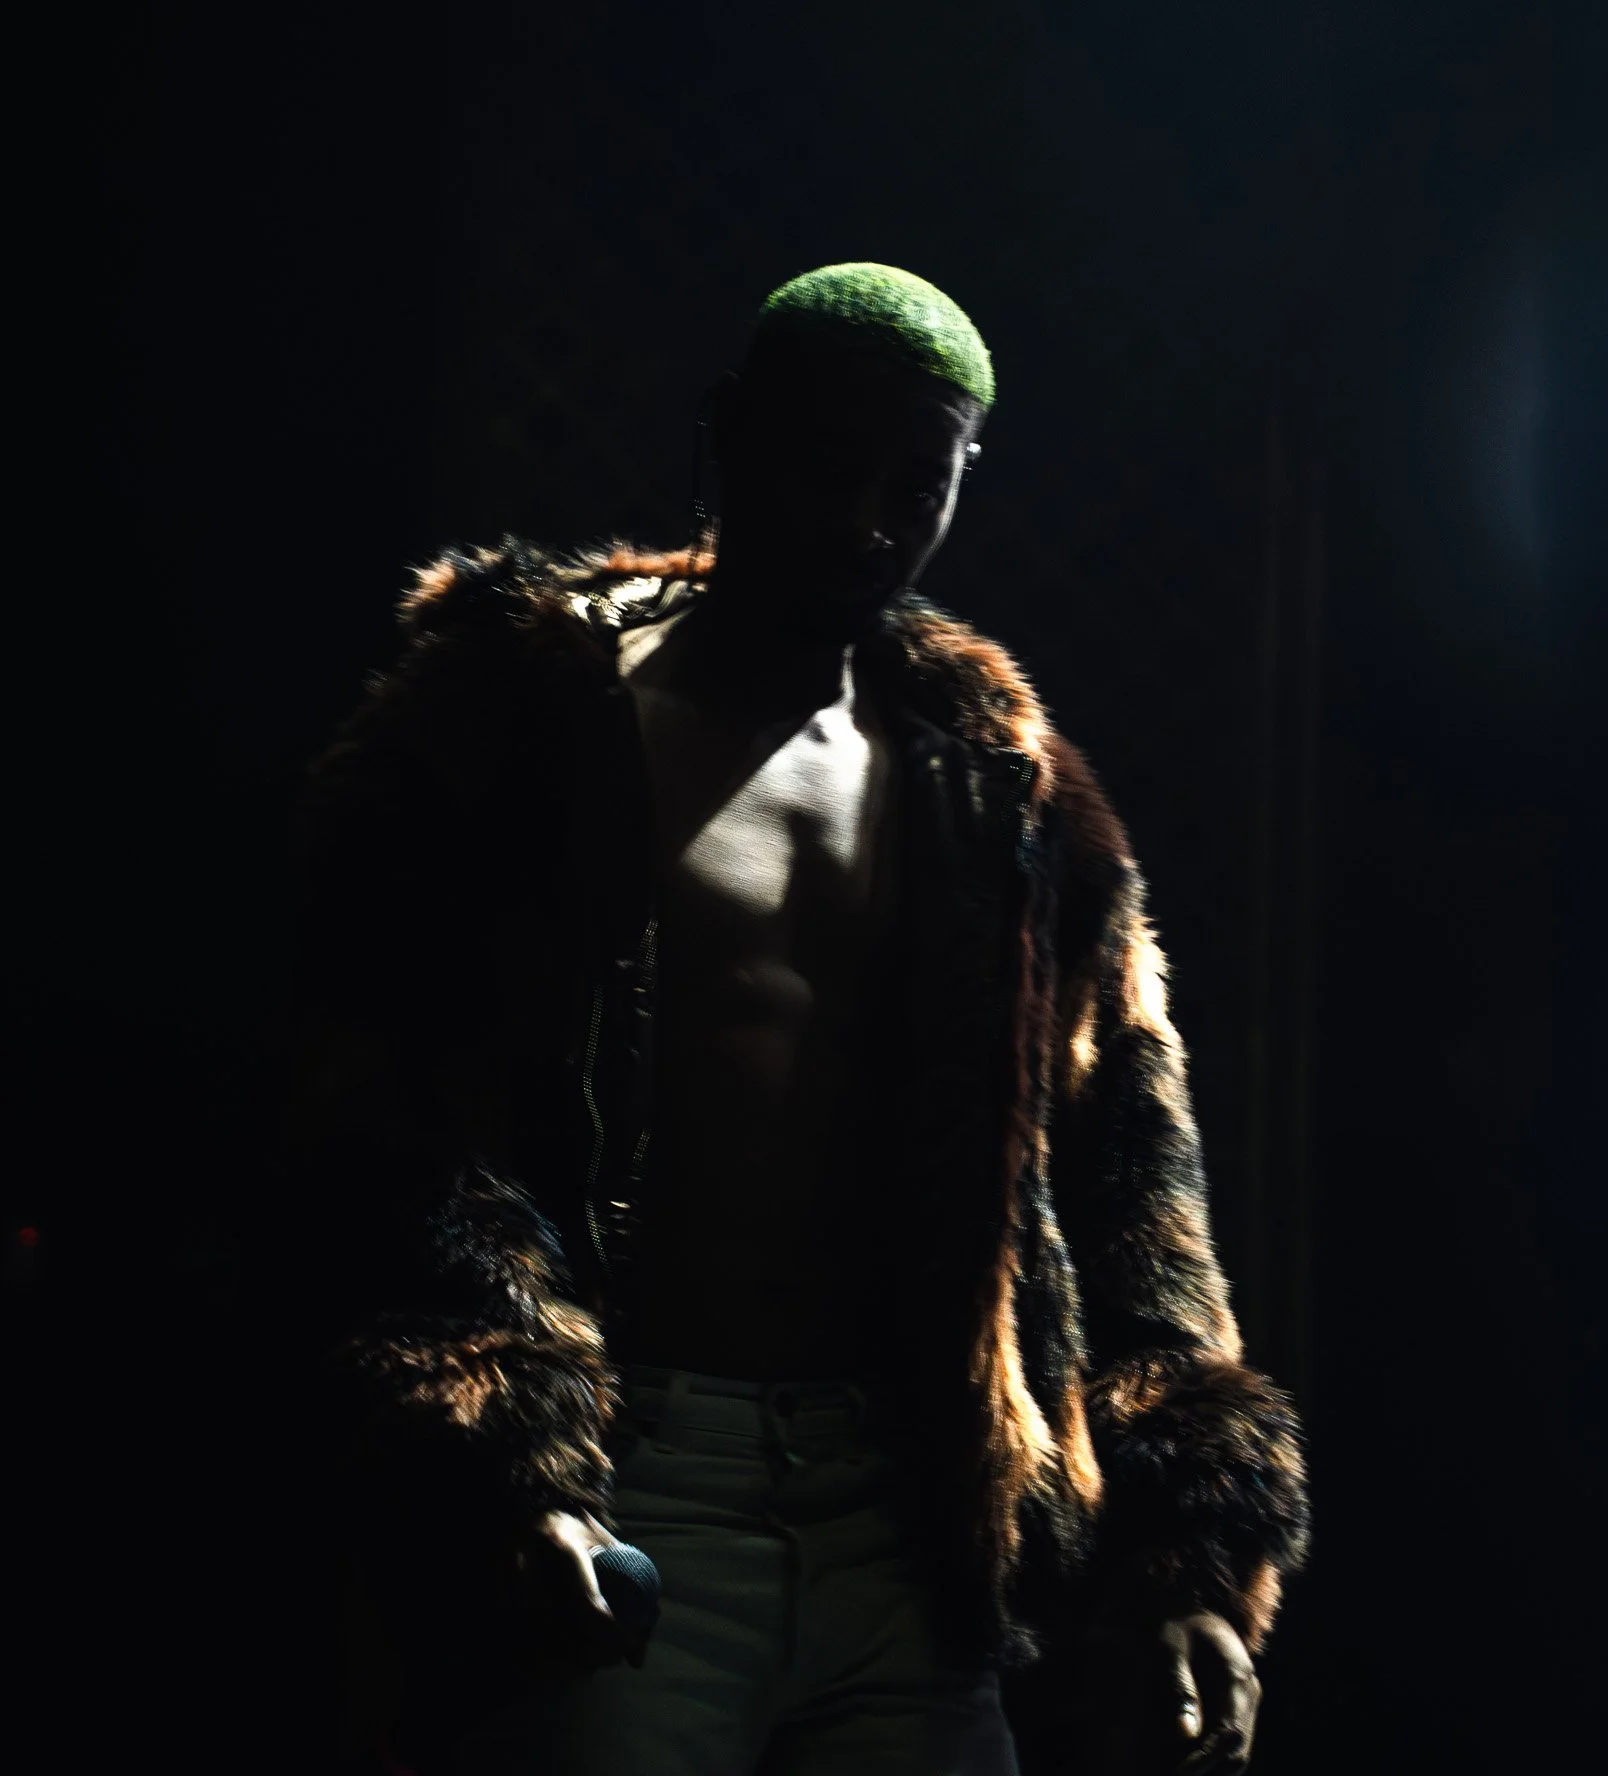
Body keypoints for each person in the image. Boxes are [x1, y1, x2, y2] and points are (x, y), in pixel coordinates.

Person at [283, 264, 1309, 1775]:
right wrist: (504, 1464)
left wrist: (1192, 1560)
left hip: (909, 1514)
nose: (867, 518)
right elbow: (381, 1116)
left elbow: (1134, 1187)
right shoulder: (516, 726)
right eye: (828, 461)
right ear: (732, 434)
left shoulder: (997, 794)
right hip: (631, 1485)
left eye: (916, 481)